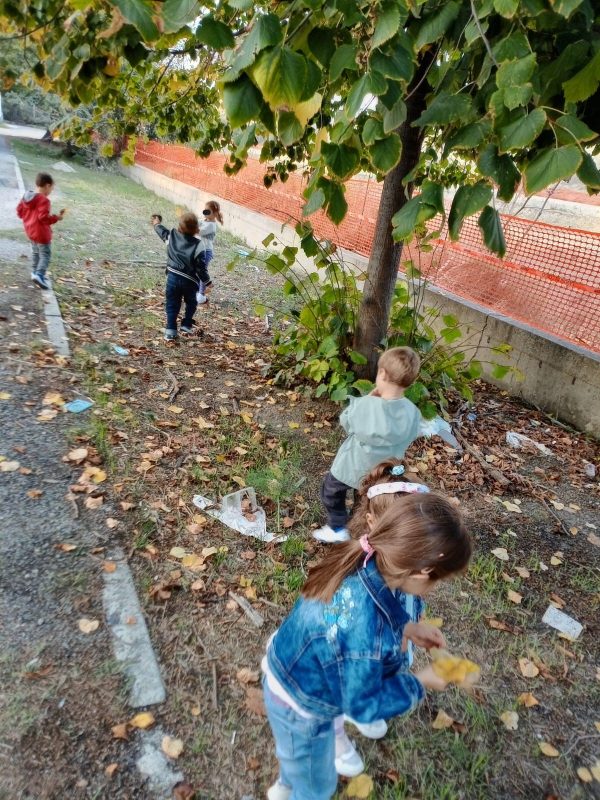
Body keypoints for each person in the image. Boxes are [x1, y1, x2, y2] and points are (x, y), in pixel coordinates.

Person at [262, 459, 472, 800]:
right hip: (302, 704)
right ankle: (296, 786)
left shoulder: (372, 558)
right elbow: (362, 707)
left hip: (306, 677)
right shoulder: (363, 628)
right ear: (424, 571)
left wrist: (408, 628)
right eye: (440, 581)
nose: (435, 589)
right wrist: (422, 682)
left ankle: (289, 781)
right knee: (317, 786)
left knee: (299, 758)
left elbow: (381, 614)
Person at [314, 346, 422, 543]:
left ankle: (337, 526)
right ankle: (363, 532)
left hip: (351, 465)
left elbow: (347, 422)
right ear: (410, 382)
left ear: (381, 373)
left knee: (331, 490)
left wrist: (367, 399)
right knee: (365, 501)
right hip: (383, 471)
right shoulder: (413, 412)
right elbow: (413, 434)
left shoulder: (366, 405)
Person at [152, 211, 213, 341]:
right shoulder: (199, 245)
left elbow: (162, 232)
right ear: (197, 229)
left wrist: (156, 223)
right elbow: (201, 268)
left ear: (179, 227)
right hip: (190, 282)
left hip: (173, 278)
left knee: (172, 303)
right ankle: (186, 324)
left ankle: (170, 330)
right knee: (191, 303)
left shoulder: (172, 236)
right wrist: (207, 282)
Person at [16, 172, 65, 290]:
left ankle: (34, 273)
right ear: (47, 185)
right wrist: (56, 218)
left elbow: (19, 212)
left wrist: (29, 220)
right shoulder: (44, 200)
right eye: (51, 189)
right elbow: (43, 218)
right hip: (41, 234)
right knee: (45, 255)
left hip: (30, 232)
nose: (50, 192)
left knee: (36, 253)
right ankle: (39, 275)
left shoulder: (26, 197)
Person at [196, 200, 223, 306]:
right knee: (197, 271)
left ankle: (201, 295)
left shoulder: (211, 226)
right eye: (205, 211)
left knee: (202, 272)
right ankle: (198, 291)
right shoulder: (205, 221)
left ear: (215, 214)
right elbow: (197, 222)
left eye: (208, 212)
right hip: (199, 251)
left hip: (206, 252)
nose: (205, 213)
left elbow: (199, 231)